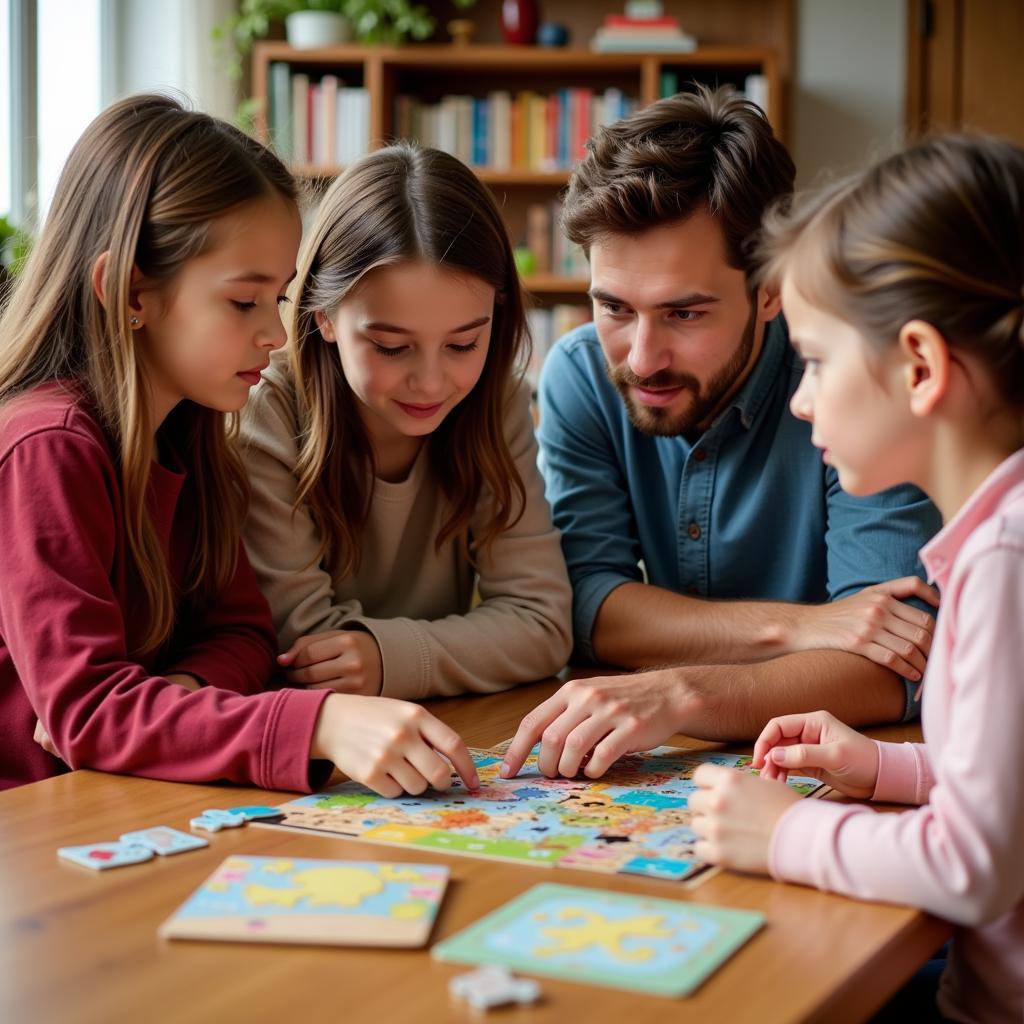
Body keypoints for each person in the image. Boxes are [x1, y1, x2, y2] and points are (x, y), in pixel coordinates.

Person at [0, 95, 479, 798]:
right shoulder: (46, 447)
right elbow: (89, 713)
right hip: (39, 828)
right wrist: (317, 724)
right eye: (243, 301)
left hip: (138, 797)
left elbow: (247, 637)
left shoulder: (194, 433)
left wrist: (181, 692)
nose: (274, 335)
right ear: (130, 293)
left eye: (280, 299)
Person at [500, 86, 941, 782]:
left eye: (685, 314)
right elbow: (589, 606)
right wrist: (797, 628)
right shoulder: (583, 374)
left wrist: (680, 692)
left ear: (770, 289)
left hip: (836, 774)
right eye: (613, 307)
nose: (641, 358)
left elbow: (890, 661)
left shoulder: (853, 383)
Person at [688, 135, 1024, 1024]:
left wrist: (785, 831)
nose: (801, 400)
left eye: (818, 361)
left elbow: (975, 866)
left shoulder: (1005, 560)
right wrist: (882, 765)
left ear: (919, 366)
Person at [239, 143, 572, 700]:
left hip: (444, 728)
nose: (432, 383)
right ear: (323, 314)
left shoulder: (497, 399)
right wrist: (443, 651)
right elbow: (308, 651)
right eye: (391, 347)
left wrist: (386, 657)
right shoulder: (265, 409)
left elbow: (543, 625)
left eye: (464, 342)